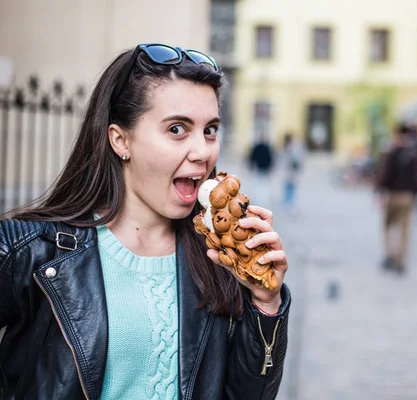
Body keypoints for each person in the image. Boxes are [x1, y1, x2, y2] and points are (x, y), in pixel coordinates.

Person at [0, 43, 291, 399]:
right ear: (121, 140)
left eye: (210, 129)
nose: (202, 151)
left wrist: (266, 303)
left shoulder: (219, 260)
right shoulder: (32, 251)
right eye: (177, 129)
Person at [374, 124, 417, 272]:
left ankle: (391, 256)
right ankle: (400, 260)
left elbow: (385, 175)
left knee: (390, 227)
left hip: (394, 195)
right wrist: (415, 194)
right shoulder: (414, 154)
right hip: (408, 196)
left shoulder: (392, 153)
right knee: (404, 230)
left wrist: (380, 192)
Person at [248, 132, 275, 208]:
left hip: (264, 168)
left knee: (264, 184)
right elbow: (252, 157)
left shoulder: (265, 147)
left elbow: (270, 158)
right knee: (259, 184)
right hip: (259, 168)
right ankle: (260, 198)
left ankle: (263, 198)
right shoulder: (260, 147)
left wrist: (270, 167)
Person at [280, 133, 304, 213]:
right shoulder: (291, 148)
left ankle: (289, 204)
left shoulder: (287, 148)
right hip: (291, 172)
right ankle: (291, 205)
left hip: (289, 172)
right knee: (291, 189)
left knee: (289, 189)